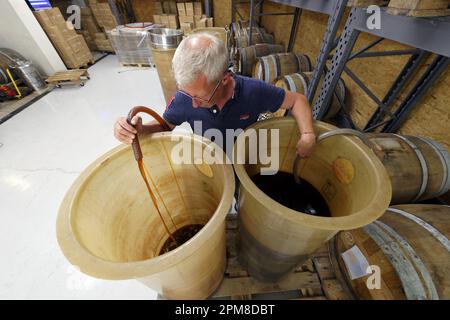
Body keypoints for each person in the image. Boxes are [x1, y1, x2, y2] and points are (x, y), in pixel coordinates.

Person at [114, 33, 316, 161]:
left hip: (244, 160)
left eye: (200, 97)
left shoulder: (253, 91)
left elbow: (297, 100)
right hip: (208, 160)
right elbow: (166, 125)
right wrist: (139, 129)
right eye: (187, 93)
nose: (192, 103)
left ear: (225, 79)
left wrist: (307, 135)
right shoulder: (185, 98)